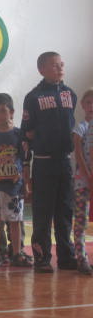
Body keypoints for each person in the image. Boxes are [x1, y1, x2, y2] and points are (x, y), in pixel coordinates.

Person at [21, 51, 77, 273]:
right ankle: (42, 258)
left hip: (65, 162)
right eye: (54, 65)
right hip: (44, 163)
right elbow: (26, 134)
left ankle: (66, 256)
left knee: (65, 211)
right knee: (43, 213)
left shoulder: (70, 94)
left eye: (61, 64)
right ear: (42, 69)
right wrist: (26, 167)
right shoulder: (33, 97)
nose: (60, 67)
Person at [0, 93, 33, 269]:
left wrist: (26, 184)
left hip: (14, 187)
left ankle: (17, 253)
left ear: (12, 112)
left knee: (15, 221)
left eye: (3, 110)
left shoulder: (19, 135)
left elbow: (25, 162)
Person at [73, 89, 93, 274]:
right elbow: (78, 152)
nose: (92, 106)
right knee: (81, 220)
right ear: (83, 105)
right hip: (83, 182)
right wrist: (88, 176)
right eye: (89, 102)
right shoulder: (82, 127)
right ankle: (81, 257)